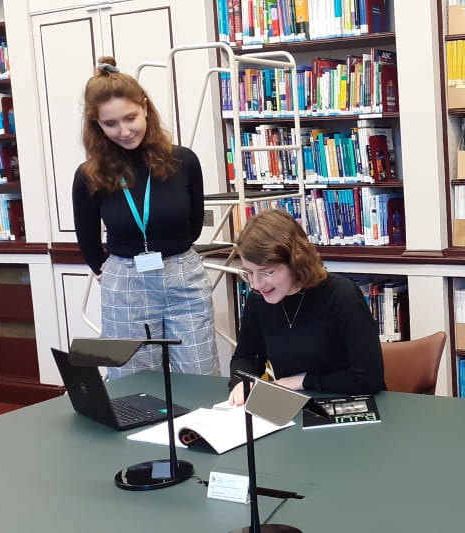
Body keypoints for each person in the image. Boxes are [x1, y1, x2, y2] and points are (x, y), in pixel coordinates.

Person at [72, 56, 219, 379]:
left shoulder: (184, 161)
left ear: (146, 108)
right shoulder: (89, 175)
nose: (124, 131)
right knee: (134, 383)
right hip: (125, 282)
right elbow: (87, 238)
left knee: (199, 376)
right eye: (110, 124)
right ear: (96, 125)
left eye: (130, 118)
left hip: (183, 277)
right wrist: (109, 271)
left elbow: (193, 226)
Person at [228, 209, 385, 405]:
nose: (256, 284)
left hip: (351, 406)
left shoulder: (342, 295)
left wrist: (301, 381)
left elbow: (369, 379)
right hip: (292, 407)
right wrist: (243, 382)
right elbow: (245, 357)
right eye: (249, 272)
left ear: (296, 261)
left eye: (267, 272)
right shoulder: (258, 300)